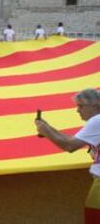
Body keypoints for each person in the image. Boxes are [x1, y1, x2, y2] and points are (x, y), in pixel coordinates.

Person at [35, 89, 100, 223]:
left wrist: (46, 131)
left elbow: (70, 146)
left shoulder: (97, 120)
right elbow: (72, 140)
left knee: (93, 217)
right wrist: (48, 128)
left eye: (81, 106)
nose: (78, 110)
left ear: (95, 105)